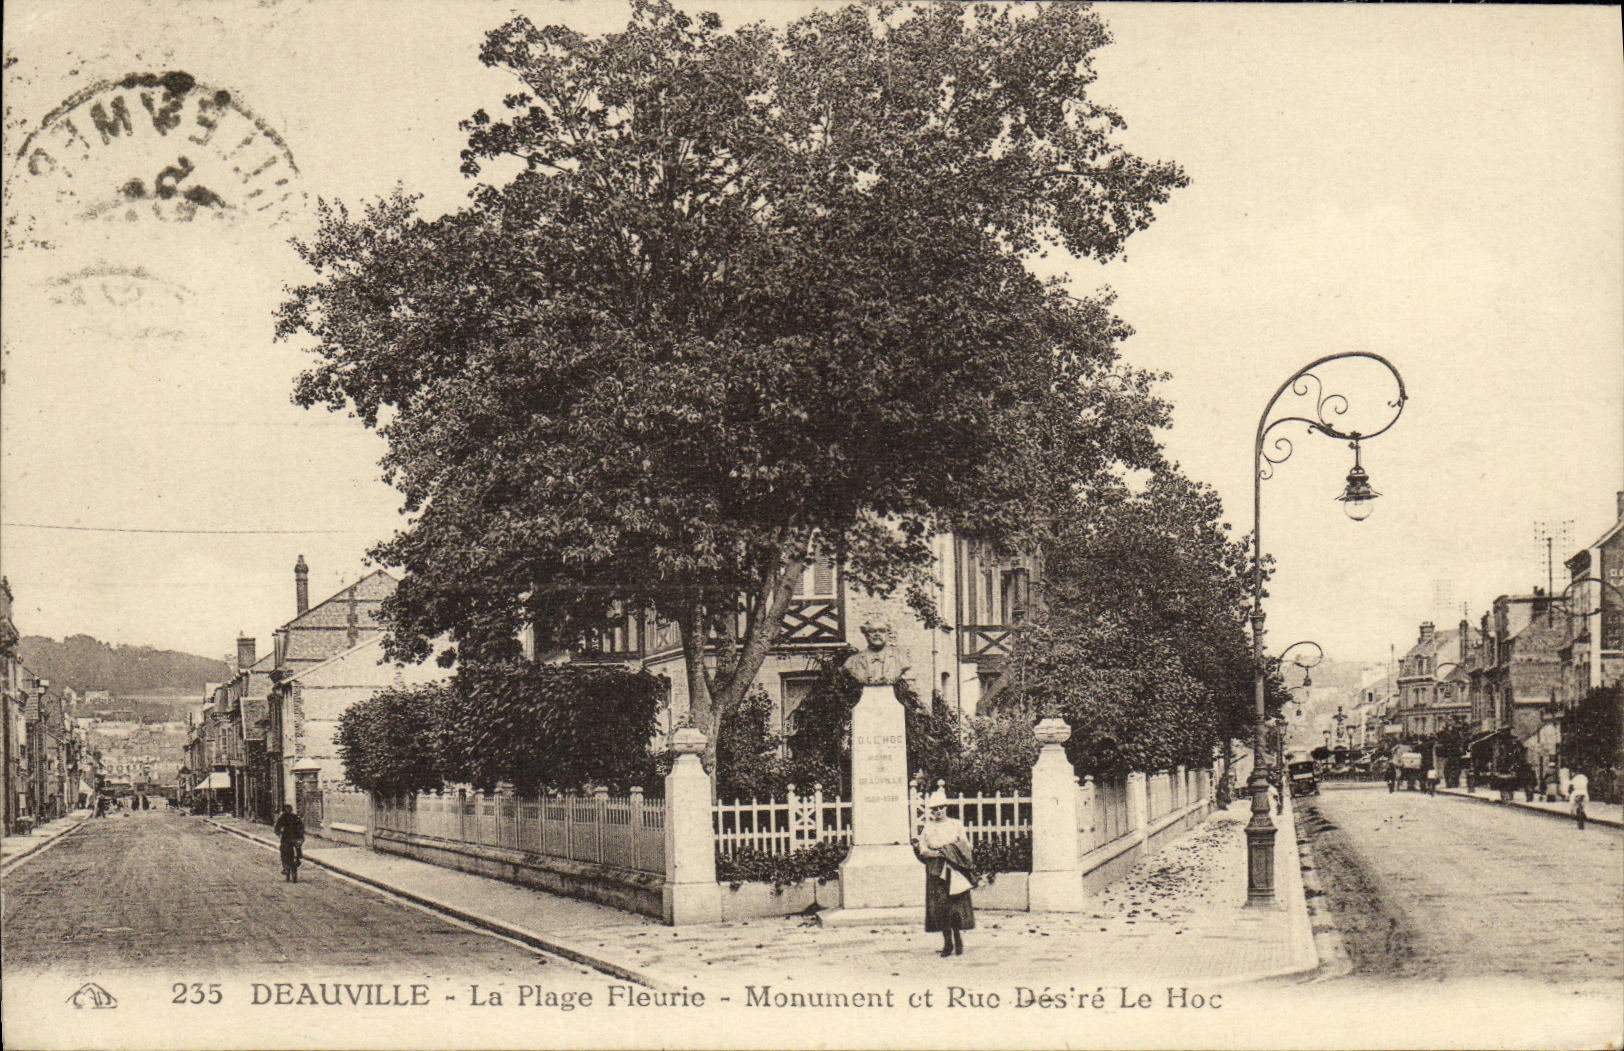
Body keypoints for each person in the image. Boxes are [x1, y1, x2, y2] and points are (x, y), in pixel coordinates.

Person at [912, 789, 977, 957]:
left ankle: (958, 939)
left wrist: (948, 850)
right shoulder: (928, 827)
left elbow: (966, 846)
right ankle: (947, 943)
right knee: (940, 907)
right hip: (936, 870)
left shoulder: (956, 824)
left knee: (956, 906)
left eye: (941, 807)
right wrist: (940, 852)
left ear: (946, 808)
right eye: (934, 809)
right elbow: (923, 850)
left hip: (955, 869)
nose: (938, 811)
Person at [842, 621, 909, 686]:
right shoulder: (852, 661)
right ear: (866, 635)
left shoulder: (900, 659)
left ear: (887, 635)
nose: (877, 634)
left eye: (881, 631)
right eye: (872, 631)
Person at [273, 804, 306, 881]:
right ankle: (297, 859)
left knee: (284, 850)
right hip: (294, 837)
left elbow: (277, 828)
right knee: (295, 847)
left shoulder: (283, 817)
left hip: (288, 837)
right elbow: (301, 826)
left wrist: (278, 833)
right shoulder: (294, 817)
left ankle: (287, 866)